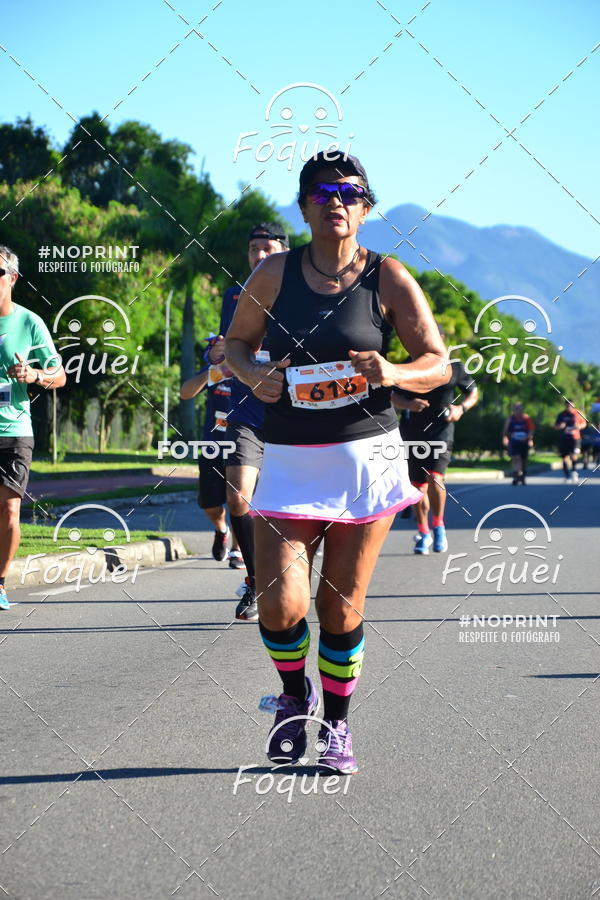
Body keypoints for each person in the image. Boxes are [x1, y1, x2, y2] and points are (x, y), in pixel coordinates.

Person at [224, 152, 449, 773]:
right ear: (303, 207)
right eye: (322, 192)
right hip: (290, 457)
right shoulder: (273, 273)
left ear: (366, 208)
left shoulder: (388, 277)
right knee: (280, 602)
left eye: (349, 193)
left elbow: (438, 362)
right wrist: (251, 373)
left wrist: (395, 371)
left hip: (364, 462)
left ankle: (337, 726)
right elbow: (236, 345)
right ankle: (294, 696)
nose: (336, 202)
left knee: (340, 607)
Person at [209, 223, 289, 621]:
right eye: (254, 248)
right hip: (246, 409)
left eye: (267, 249)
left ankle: (292, 576)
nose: (259, 255)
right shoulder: (234, 295)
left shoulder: (300, 291)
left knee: (288, 506)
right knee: (238, 495)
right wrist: (218, 353)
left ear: (283, 251)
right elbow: (231, 344)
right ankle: (256, 581)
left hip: (292, 411)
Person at [0, 245, 66, 610]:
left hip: (14, 430)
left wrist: (34, 374)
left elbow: (60, 376)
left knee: (9, 510)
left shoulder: (29, 323)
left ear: (12, 278)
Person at [392, 338, 478, 554]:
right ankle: (424, 532)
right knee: (417, 486)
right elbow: (392, 395)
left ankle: (438, 526)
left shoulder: (454, 366)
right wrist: (408, 404)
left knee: (435, 477)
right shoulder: (408, 364)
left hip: (441, 431)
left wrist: (461, 409)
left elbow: (473, 392)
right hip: (413, 431)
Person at [179, 336, 243, 568]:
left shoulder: (253, 368)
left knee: (239, 499)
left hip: (245, 444)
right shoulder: (217, 371)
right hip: (213, 444)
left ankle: (237, 549)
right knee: (210, 504)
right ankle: (221, 529)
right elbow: (185, 393)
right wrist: (214, 371)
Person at [502, 402, 535, 485]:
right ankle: (516, 475)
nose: (518, 411)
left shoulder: (526, 418)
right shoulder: (510, 419)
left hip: (524, 441)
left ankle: (523, 475)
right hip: (514, 441)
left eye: (520, 409)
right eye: (516, 409)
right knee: (516, 457)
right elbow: (505, 430)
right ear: (513, 410)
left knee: (523, 459)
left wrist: (529, 439)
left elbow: (531, 430)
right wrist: (505, 437)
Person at [555, 401, 585, 482]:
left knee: (574, 455)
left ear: (573, 405)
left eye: (571, 405)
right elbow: (556, 426)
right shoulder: (561, 415)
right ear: (565, 405)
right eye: (568, 405)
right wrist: (560, 426)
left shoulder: (578, 413)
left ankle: (574, 472)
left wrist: (579, 426)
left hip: (575, 438)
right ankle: (566, 475)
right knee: (564, 457)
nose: (569, 407)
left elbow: (584, 424)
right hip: (564, 438)